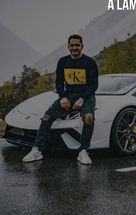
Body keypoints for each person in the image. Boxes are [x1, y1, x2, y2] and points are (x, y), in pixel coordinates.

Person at [23, 34, 99, 164]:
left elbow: (94, 85)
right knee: (46, 116)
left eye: (77, 45)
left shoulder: (90, 62)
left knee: (89, 118)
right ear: (68, 46)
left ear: (82, 46)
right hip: (68, 95)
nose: (74, 47)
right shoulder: (63, 61)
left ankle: (83, 151)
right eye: (72, 45)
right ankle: (37, 150)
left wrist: (82, 98)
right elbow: (59, 83)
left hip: (86, 96)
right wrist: (63, 97)